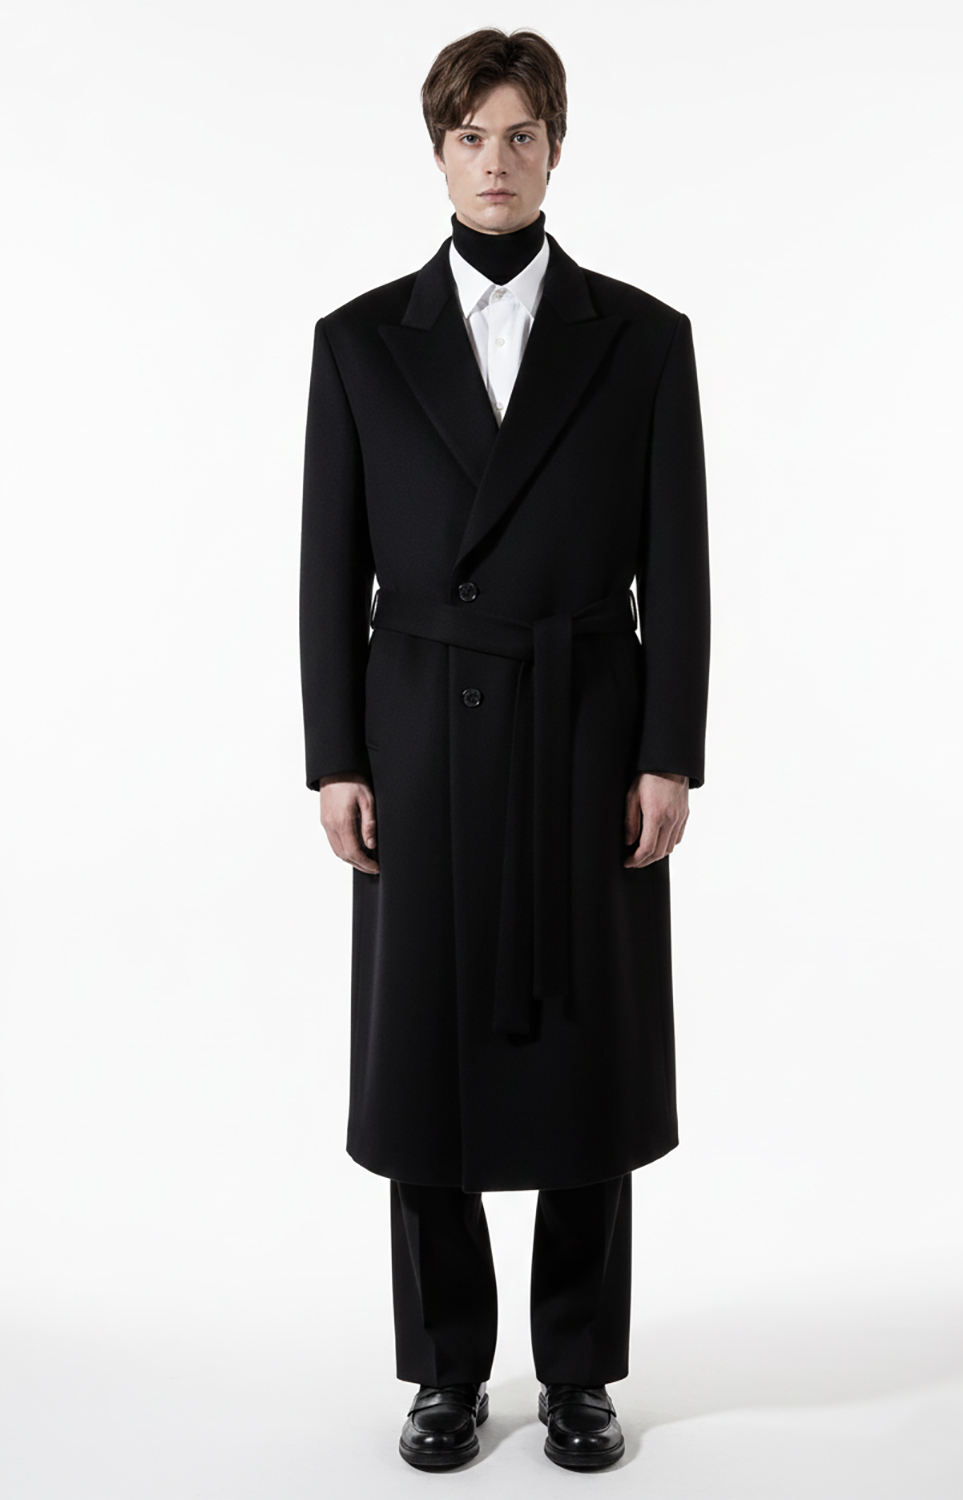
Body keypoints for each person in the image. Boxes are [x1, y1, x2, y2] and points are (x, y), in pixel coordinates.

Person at [298, 26, 710, 1472]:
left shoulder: (642, 339)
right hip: (418, 738)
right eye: (471, 135)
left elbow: (680, 567)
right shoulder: (359, 342)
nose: (496, 160)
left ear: (556, 149)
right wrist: (336, 758)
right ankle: (447, 1370)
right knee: (425, 1063)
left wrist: (668, 752)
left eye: (520, 133)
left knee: (589, 1062)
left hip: (586, 733)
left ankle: (580, 1371)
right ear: (438, 152)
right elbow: (327, 568)